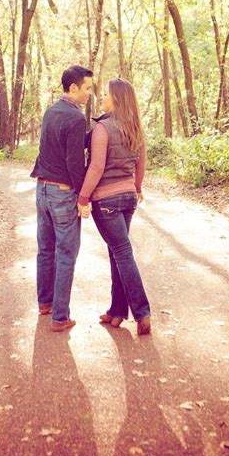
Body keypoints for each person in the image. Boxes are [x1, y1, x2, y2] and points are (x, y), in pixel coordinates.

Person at [77, 78, 151, 335]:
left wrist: (83, 198)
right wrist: (137, 187)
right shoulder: (135, 127)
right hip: (129, 197)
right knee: (117, 251)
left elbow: (96, 167)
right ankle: (117, 311)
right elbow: (141, 164)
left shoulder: (103, 128)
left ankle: (142, 311)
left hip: (106, 200)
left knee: (122, 252)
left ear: (116, 99)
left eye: (106, 94)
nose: (102, 98)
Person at [31, 65, 93, 332]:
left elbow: (61, 145)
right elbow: (74, 162)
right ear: (74, 87)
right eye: (88, 88)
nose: (90, 93)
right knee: (66, 253)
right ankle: (60, 316)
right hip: (62, 193)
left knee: (45, 250)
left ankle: (45, 304)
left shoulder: (52, 112)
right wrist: (83, 198)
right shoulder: (76, 119)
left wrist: (94, 134)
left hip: (42, 190)